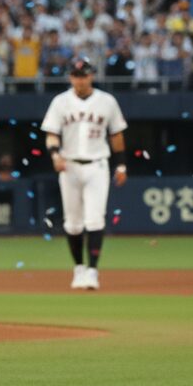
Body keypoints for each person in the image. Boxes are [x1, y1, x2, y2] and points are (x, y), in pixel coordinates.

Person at [40, 57, 128, 291]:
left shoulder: (106, 101)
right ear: (71, 77)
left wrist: (121, 165)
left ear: (92, 76)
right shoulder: (60, 102)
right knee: (73, 224)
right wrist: (55, 155)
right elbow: (51, 133)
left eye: (84, 75)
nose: (80, 79)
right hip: (68, 165)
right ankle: (79, 267)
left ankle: (92, 271)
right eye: (76, 75)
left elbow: (117, 135)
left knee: (95, 219)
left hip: (97, 164)